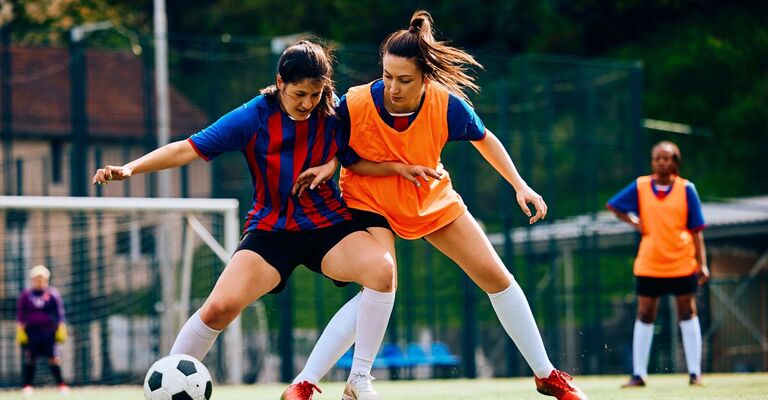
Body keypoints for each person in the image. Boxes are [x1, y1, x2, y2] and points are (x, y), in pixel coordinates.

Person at [92, 40, 425, 400]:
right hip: (271, 231)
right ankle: (170, 385)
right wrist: (130, 167)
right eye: (299, 93)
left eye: (315, 94)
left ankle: (358, 379)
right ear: (280, 82)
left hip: (327, 225)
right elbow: (188, 147)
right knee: (219, 309)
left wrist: (333, 164)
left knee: (382, 271)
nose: (307, 103)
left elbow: (350, 153)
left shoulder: (335, 111)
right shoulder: (253, 116)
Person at [291, 11, 587, 400]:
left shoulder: (446, 105)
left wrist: (520, 186)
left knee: (497, 278)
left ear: (425, 78)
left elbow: (486, 140)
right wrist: (328, 166)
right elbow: (339, 149)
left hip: (428, 198)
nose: (393, 87)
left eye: (404, 79)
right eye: (387, 76)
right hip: (369, 198)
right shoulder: (356, 103)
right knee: (382, 283)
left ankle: (546, 375)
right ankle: (307, 383)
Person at [607, 141, 708, 387]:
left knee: (687, 312)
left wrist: (701, 263)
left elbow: (696, 231)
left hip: (681, 262)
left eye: (666, 158)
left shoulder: (686, 190)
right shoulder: (641, 186)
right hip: (650, 263)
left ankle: (695, 373)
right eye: (657, 158)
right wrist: (634, 222)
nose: (661, 162)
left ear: (675, 162)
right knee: (644, 314)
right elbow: (614, 205)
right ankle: (639, 374)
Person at [16, 265, 70, 397]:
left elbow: (59, 313)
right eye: (36, 278)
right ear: (32, 280)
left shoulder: (52, 294)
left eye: (42, 278)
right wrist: (19, 327)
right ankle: (27, 386)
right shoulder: (26, 295)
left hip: (48, 333)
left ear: (46, 279)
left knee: (54, 358)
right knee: (30, 359)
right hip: (32, 332)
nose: (39, 281)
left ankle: (61, 385)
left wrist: (61, 326)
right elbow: (21, 314)